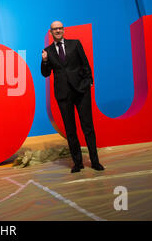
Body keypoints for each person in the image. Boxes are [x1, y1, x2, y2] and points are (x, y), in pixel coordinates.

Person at [41, 21, 105, 173]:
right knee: (70, 130)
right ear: (51, 32)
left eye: (60, 28)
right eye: (55, 29)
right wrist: (44, 60)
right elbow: (45, 73)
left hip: (81, 92)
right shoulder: (47, 51)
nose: (58, 31)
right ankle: (78, 163)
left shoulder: (75, 44)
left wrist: (88, 82)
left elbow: (85, 64)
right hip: (63, 95)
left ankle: (95, 161)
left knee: (87, 127)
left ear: (64, 30)